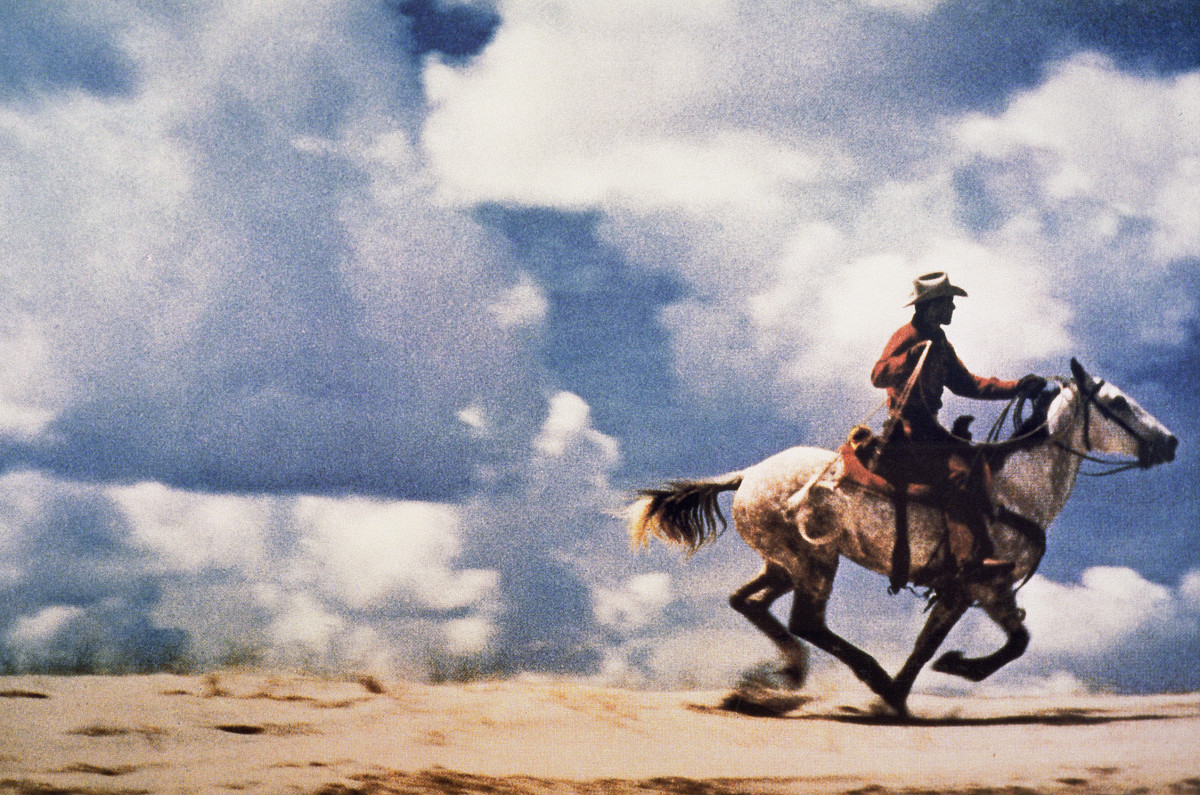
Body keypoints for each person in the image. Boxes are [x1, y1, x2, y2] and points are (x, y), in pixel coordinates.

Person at [871, 271, 1045, 581]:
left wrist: (1017, 386)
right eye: (948, 303)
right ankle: (968, 560)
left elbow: (968, 384)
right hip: (908, 431)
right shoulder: (908, 336)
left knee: (979, 467)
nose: (952, 309)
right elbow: (878, 375)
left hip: (930, 430)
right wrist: (908, 359)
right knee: (958, 476)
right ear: (930, 307)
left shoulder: (939, 341)